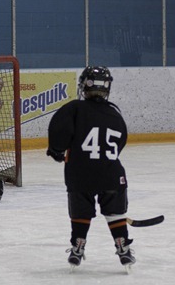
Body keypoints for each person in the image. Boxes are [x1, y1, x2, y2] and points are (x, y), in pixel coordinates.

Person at [47, 66, 134, 270]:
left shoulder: (74, 108)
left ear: (84, 86)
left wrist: (57, 151)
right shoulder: (115, 113)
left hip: (79, 173)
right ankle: (122, 246)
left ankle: (78, 245)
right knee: (115, 211)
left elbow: (59, 133)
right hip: (111, 174)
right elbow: (120, 142)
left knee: (81, 211)